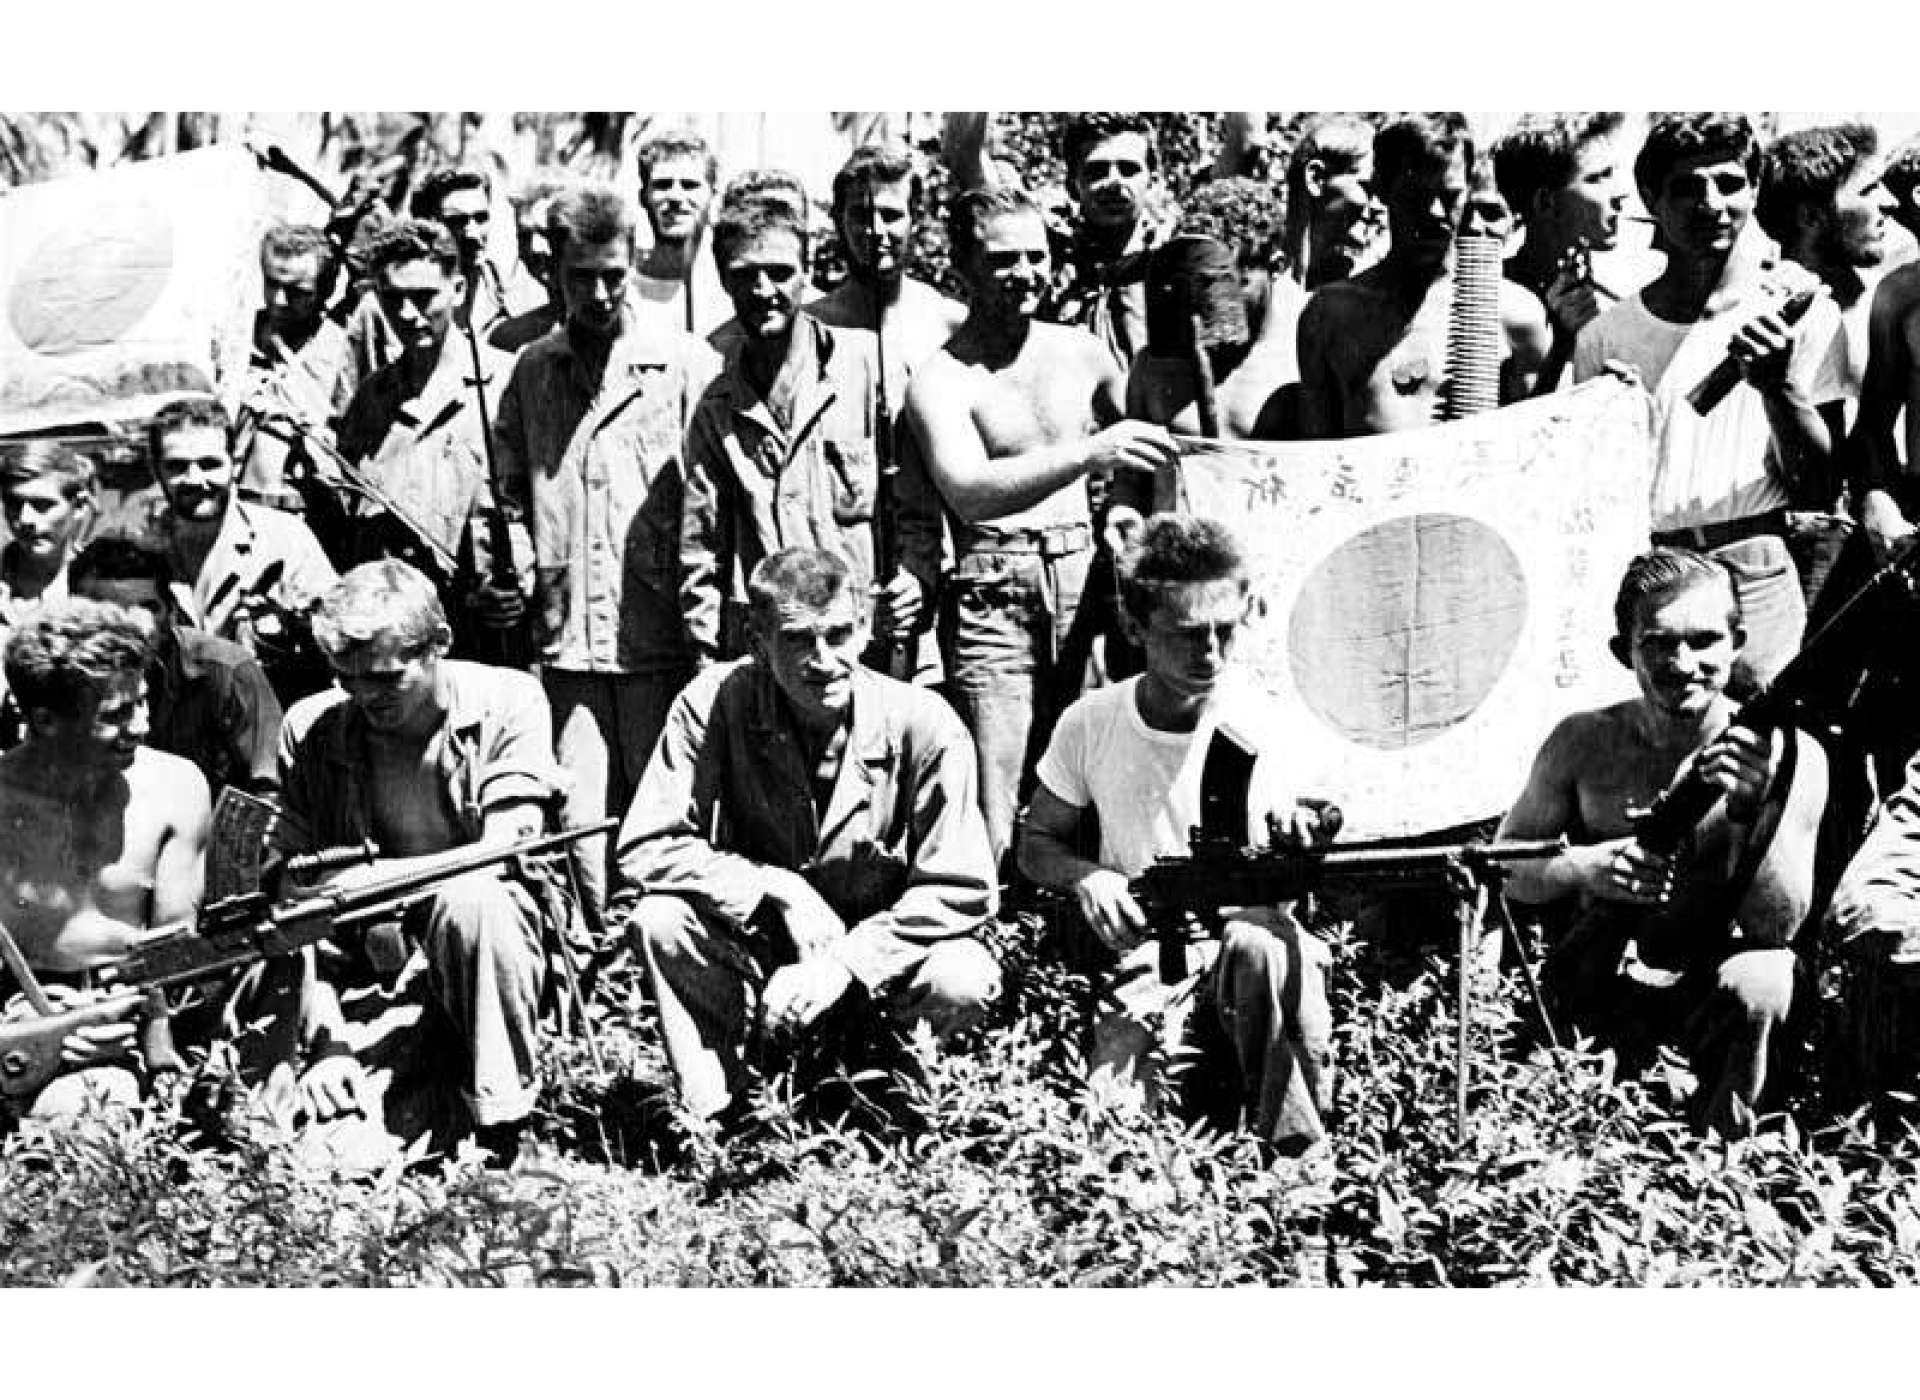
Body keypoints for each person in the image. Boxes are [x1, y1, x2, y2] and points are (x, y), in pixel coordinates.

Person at [618, 548, 1001, 1125]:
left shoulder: (925, 722)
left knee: (961, 976)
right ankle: (723, 1119)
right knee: (661, 921)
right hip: (769, 944)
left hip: (887, 956)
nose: (824, 661)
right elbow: (647, 844)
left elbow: (962, 888)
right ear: (757, 639)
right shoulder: (714, 702)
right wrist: (773, 887)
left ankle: (903, 1112)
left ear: (865, 628)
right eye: (798, 640)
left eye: (839, 635)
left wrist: (846, 961)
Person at [1017, 515, 1334, 1156]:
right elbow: (1036, 844)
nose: (1210, 654)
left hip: (1259, 957)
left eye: (1225, 631)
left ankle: (1298, 1171)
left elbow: (1319, 817)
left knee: (1261, 943)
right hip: (1150, 961)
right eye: (1188, 635)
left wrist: (1305, 830)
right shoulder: (1091, 723)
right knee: (1112, 1145)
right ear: (1135, 628)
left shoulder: (1269, 717)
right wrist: (1089, 878)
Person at [1496, 549, 1826, 1138]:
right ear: (1623, 651)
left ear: (1737, 643)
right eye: (1658, 644)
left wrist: (1753, 810)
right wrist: (1584, 868)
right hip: (1601, 978)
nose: (1683, 664)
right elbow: (1504, 870)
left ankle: (1726, 1157)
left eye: (1704, 641)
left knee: (1766, 978)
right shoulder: (1580, 741)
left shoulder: (1791, 756)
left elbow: (1776, 926)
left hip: (1710, 982)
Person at [904, 185, 1179, 862]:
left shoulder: (1081, 351)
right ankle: (995, 922)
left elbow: (1141, 443)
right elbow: (968, 491)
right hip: (993, 591)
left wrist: (1121, 505)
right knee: (995, 795)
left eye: (1036, 256)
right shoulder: (941, 379)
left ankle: (1090, 918)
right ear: (962, 266)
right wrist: (1088, 455)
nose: (1025, 273)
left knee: (1092, 774)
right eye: (1003, 260)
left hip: (1085, 582)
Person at [272, 560, 567, 1163]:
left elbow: (505, 848)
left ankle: (506, 1126)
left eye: (385, 678)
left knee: (474, 897)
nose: (364, 696)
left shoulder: (508, 699)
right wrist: (327, 1041)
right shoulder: (313, 728)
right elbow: (292, 904)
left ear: (440, 644)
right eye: (346, 677)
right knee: (336, 1154)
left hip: (492, 953)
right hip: (371, 971)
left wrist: (361, 883)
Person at [491, 182, 720, 924]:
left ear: (634, 263)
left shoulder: (683, 363)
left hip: (657, 631)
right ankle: (592, 949)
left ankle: (655, 949)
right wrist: (518, 567)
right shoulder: (532, 369)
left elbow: (710, 500)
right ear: (553, 269)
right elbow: (508, 492)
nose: (598, 293)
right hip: (567, 641)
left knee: (661, 810)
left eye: (613, 275)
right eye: (580, 276)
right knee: (580, 817)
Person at [0, 601, 321, 1128]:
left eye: (144, 703)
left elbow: (177, 953)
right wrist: (37, 1022)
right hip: (24, 1016)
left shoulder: (175, 788)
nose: (142, 726)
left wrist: (129, 1019)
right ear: (44, 720)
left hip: (140, 1017)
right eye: (115, 716)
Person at [1573, 113, 1848, 689]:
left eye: (1729, 183)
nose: (1711, 204)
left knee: (1764, 733)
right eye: (1687, 187)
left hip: (1759, 572)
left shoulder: (1801, 313)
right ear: (1651, 197)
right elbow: (1592, 494)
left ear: (1754, 189)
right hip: (1657, 578)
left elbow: (1820, 486)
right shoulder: (1605, 337)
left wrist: (1777, 386)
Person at [680, 194, 936, 673]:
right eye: (744, 275)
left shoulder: (873, 371)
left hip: (865, 643)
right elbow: (702, 551)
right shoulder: (716, 407)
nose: (763, 291)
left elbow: (918, 515)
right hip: (769, 654)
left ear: (807, 269)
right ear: (723, 279)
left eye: (780, 272)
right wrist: (705, 655)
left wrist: (915, 581)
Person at [1296, 112, 1550, 439]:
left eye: (1449, 196)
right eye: (1416, 196)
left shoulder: (1513, 315)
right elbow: (1315, 451)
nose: (1434, 212)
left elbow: (1536, 450)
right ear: (1381, 188)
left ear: (1469, 191)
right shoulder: (1330, 316)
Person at [334, 219, 512, 621]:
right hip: (396, 620)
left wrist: (517, 583)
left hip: (482, 618)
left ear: (458, 289)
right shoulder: (372, 397)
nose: (407, 314)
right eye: (392, 298)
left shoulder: (504, 384)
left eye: (423, 297)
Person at [70, 537, 281, 799]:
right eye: (113, 612)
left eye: (148, 608)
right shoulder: (49, 674)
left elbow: (268, 792)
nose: (136, 625)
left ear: (172, 612)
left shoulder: (228, 670)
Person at [141, 397, 337, 673]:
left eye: (209, 464)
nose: (195, 479)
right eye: (177, 466)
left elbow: (340, 643)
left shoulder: (286, 541)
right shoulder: (135, 554)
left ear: (235, 464)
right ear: (156, 469)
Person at [1756, 123, 1894, 425]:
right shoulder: (1763, 314)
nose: (1890, 203)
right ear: (1811, 216)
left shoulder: (1892, 300)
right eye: (1869, 190)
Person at [1492, 113, 1632, 390]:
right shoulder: (1495, 300)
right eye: (1597, 178)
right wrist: (1562, 346)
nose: (1621, 193)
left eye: (1613, 173)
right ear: (1545, 202)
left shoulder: (1621, 296)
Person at [807, 144, 966, 377]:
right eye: (861, 215)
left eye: (891, 216)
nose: (876, 230)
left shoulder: (949, 322)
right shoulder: (813, 327)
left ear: (915, 218)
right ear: (839, 219)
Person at [232, 222, 355, 512]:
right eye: (271, 284)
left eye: (296, 291)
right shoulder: (236, 341)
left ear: (325, 290)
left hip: (310, 514)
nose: (279, 300)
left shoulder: (342, 353)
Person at [1045, 112, 1169, 369]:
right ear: (1072, 185)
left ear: (1153, 181)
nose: (1114, 182)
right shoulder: (1045, 260)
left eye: (1128, 169)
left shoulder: (1174, 261)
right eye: (1097, 171)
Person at [632, 129, 729, 338]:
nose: (676, 197)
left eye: (690, 185)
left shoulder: (732, 289)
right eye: (662, 185)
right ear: (643, 197)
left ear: (713, 197)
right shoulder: (625, 292)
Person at [1280, 115, 1383, 296]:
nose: (1379, 206)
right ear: (1316, 179)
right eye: (1368, 188)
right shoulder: (1260, 282)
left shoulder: (1361, 288)